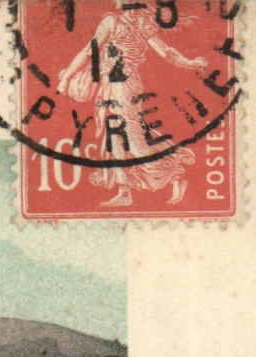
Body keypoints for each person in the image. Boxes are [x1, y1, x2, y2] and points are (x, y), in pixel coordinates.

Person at [55, 3, 210, 206]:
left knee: (134, 141)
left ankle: (175, 173)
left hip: (124, 85)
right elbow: (90, 51)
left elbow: (167, 52)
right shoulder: (114, 22)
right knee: (114, 138)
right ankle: (124, 191)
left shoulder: (130, 23)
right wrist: (67, 77)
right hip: (110, 84)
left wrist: (66, 78)